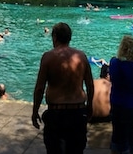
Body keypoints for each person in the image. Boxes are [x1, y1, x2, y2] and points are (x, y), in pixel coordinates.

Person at [31, 22, 95, 154]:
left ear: (54, 37)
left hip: (56, 114)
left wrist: (35, 111)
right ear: (69, 38)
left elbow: (39, 88)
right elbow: (90, 85)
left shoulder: (48, 57)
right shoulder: (81, 56)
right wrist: (89, 106)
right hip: (78, 112)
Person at [109, 36, 133, 154]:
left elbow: (113, 79)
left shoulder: (115, 63)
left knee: (117, 138)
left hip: (119, 104)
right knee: (131, 138)